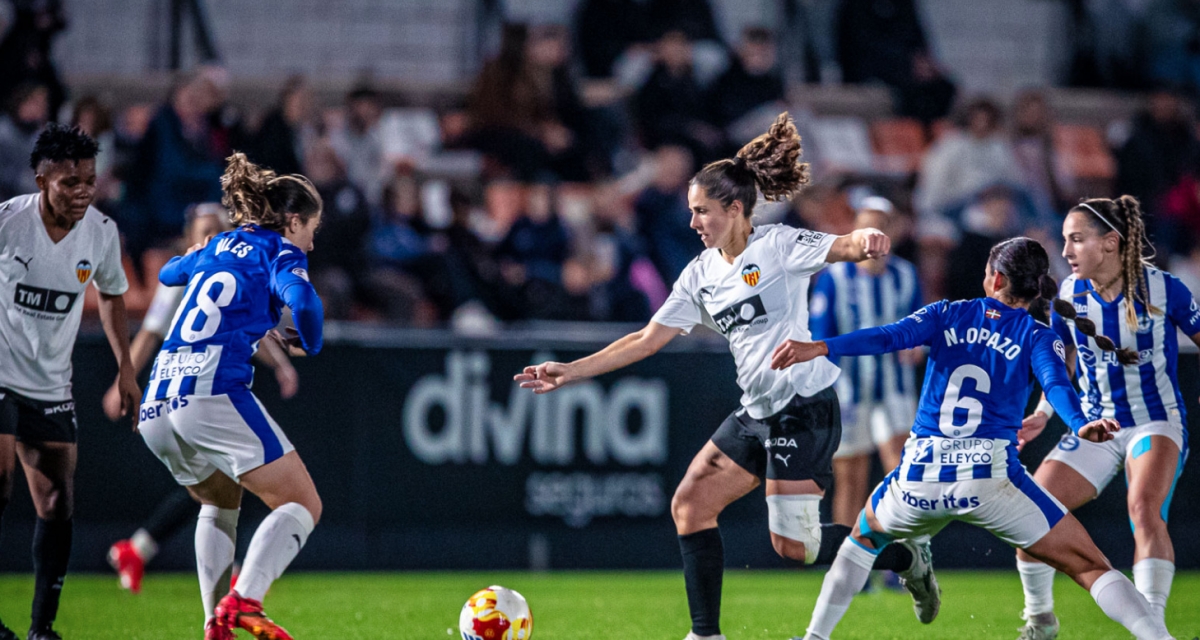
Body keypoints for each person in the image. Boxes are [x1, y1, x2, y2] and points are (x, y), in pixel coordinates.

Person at [515, 113, 929, 640]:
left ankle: (902, 555)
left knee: (795, 549)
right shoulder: (700, 273)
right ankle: (705, 634)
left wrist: (866, 236)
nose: (694, 223)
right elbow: (647, 339)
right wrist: (571, 370)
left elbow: (843, 246)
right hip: (757, 411)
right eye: (691, 212)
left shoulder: (777, 246)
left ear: (735, 210)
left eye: (702, 211)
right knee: (690, 505)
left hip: (803, 406)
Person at [777, 237, 1176, 640]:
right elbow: (1056, 384)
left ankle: (814, 637)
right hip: (987, 480)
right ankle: (1158, 638)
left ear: (995, 277)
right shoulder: (1037, 335)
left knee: (860, 541)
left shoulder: (947, 313)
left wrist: (822, 346)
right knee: (1090, 566)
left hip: (917, 480)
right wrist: (1078, 423)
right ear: (1036, 287)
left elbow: (887, 337)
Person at [136, 152, 324, 640]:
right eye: (311, 229)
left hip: (157, 401)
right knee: (301, 502)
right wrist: (308, 340)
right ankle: (244, 600)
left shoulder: (219, 243)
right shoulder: (279, 249)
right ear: (294, 221)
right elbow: (303, 301)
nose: (311, 240)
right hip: (210, 390)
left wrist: (206, 254)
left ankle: (213, 627)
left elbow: (168, 274)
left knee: (219, 499)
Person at [1013, 196, 1200, 639]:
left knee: (1144, 509)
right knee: (1029, 512)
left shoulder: (1164, 288)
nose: (1065, 251)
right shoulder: (1069, 295)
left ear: (1110, 243)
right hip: (1097, 425)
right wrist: (1042, 412)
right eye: (1064, 241)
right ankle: (1040, 620)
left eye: (1076, 239)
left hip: (1155, 420)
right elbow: (1060, 363)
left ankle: (1152, 623)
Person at [101, 203, 300, 595]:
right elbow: (151, 332)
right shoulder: (186, 275)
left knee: (220, 487)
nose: (214, 235)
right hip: (189, 394)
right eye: (206, 229)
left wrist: (279, 364)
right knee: (242, 483)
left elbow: (252, 330)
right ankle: (240, 580)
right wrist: (122, 378)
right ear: (190, 238)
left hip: (200, 393)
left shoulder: (224, 269)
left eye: (221, 228)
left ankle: (139, 549)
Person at [0, 124, 141, 640]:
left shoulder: (101, 232)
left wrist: (126, 367)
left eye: (89, 180)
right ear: (41, 180)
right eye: (69, 182)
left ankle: (42, 629)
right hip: (0, 371)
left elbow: (110, 295)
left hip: (51, 384)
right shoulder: (9, 223)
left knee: (58, 500)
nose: (83, 190)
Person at [809, 197, 922, 528]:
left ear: (894, 231)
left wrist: (918, 347)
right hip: (847, 392)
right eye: (867, 226)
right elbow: (820, 335)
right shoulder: (836, 277)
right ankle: (845, 560)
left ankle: (900, 559)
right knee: (851, 478)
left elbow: (921, 326)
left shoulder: (906, 275)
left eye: (882, 226)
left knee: (902, 475)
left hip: (894, 389)